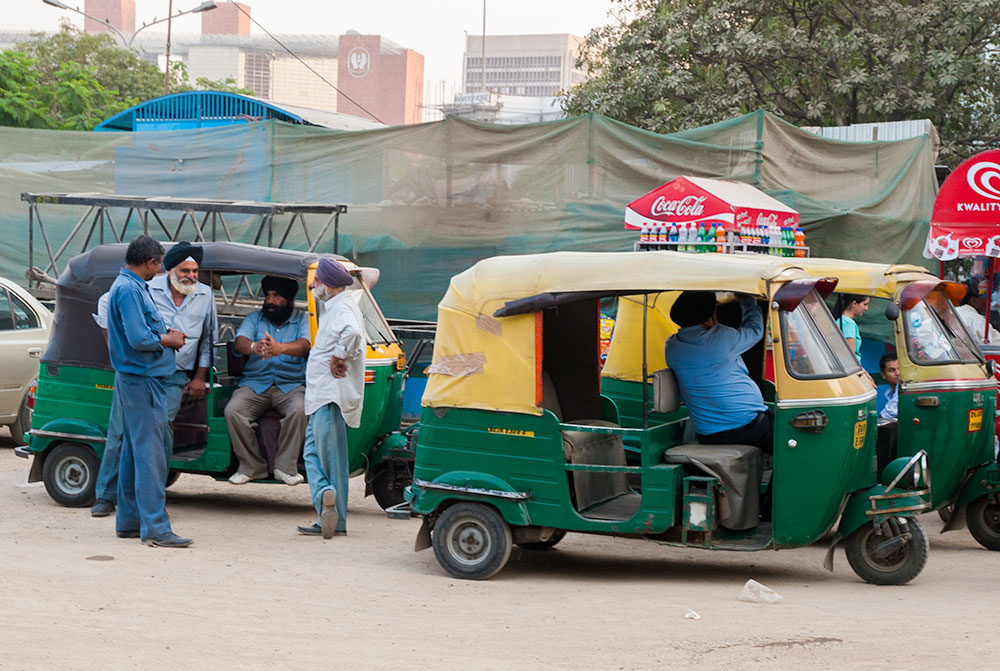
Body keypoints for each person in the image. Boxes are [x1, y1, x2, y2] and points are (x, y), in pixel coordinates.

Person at [91, 241, 217, 517]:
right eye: (185, 270)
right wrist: (118, 349)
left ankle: (151, 495)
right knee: (119, 432)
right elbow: (107, 306)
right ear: (168, 269)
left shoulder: (206, 295)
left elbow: (208, 340)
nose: (191, 277)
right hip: (137, 372)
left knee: (159, 429)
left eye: (195, 272)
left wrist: (199, 377)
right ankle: (106, 496)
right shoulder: (145, 287)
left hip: (173, 375)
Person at [106, 235, 191, 548]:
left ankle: (129, 521)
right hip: (142, 381)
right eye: (158, 265)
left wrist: (165, 335)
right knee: (150, 457)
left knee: (133, 453)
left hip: (138, 380)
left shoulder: (128, 287)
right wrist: (169, 340)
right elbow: (139, 339)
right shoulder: (129, 290)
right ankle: (156, 528)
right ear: (150, 261)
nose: (159, 272)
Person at [297, 259, 365, 538]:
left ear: (329, 285)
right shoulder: (336, 306)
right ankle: (327, 505)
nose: (313, 286)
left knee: (327, 459)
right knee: (314, 455)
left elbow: (353, 333)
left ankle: (331, 509)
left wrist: (339, 354)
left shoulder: (343, 308)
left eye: (317, 282)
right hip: (321, 396)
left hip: (329, 396)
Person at [224, 276, 310, 485]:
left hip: (290, 385)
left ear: (289, 300)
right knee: (233, 410)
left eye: (276, 296)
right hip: (256, 383)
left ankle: (285, 468)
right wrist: (255, 347)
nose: (270, 301)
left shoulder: (303, 319)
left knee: (300, 410)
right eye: (268, 296)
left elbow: (305, 345)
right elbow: (240, 342)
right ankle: (253, 467)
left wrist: (280, 348)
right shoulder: (254, 318)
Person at [663, 291, 772, 453]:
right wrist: (748, 301)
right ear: (709, 319)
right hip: (748, 428)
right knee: (793, 438)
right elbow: (755, 330)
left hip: (708, 434)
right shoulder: (721, 338)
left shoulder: (672, 347)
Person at [836, 293, 870, 363]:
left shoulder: (841, 320)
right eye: (865, 304)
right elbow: (850, 357)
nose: (866, 308)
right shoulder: (848, 323)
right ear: (854, 303)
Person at [879, 353, 899, 420]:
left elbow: (888, 414)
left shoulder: (901, 389)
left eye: (899, 369)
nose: (897, 373)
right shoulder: (888, 393)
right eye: (892, 370)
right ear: (883, 375)